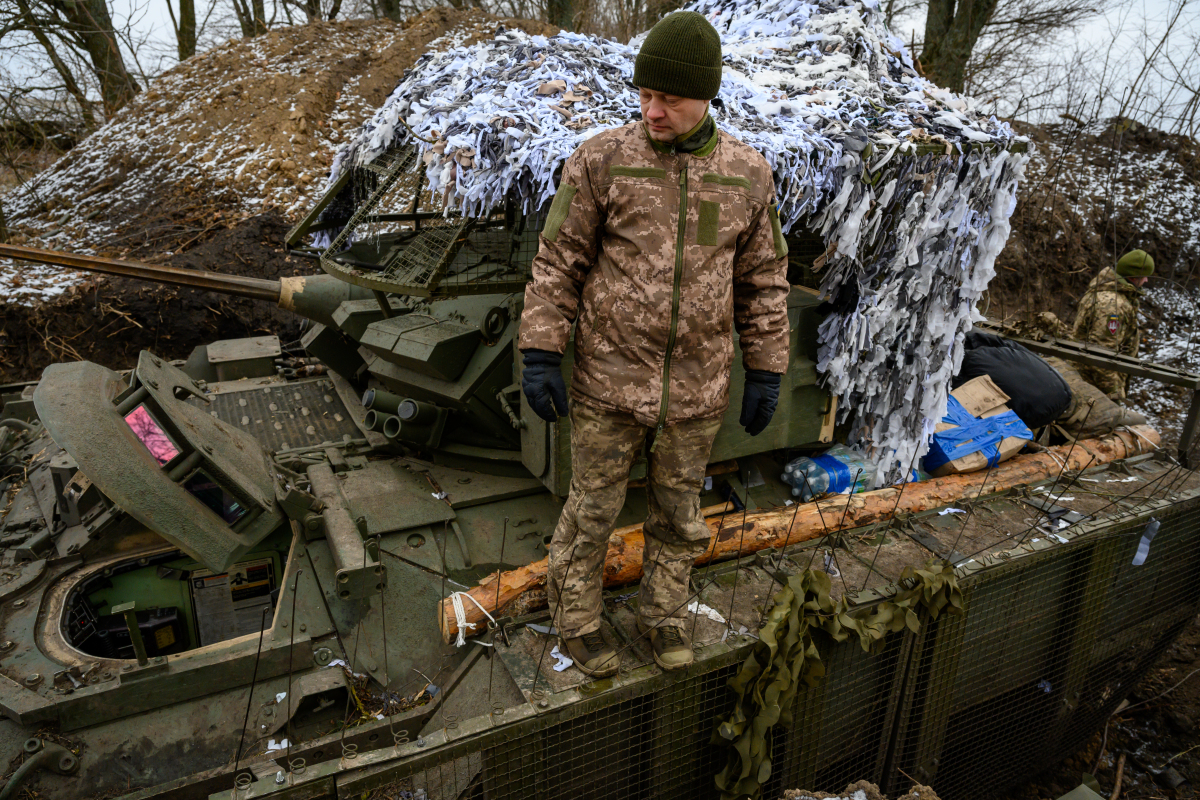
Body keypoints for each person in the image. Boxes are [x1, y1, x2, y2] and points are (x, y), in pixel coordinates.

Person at [517, 10, 790, 677]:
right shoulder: (602, 160)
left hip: (697, 390)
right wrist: (541, 350)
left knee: (679, 515)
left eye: (668, 98)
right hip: (608, 383)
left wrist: (767, 369)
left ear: (705, 95)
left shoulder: (747, 174)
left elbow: (764, 280)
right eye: (644, 95)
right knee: (590, 511)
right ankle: (577, 621)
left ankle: (663, 614)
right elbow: (558, 263)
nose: (653, 111)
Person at [1071, 249, 1154, 402]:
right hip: (1092, 388)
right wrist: (1113, 393)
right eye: (1144, 276)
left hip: (1085, 380)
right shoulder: (1113, 305)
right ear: (1133, 278)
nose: (1146, 280)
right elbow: (1100, 354)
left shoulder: (1108, 293)